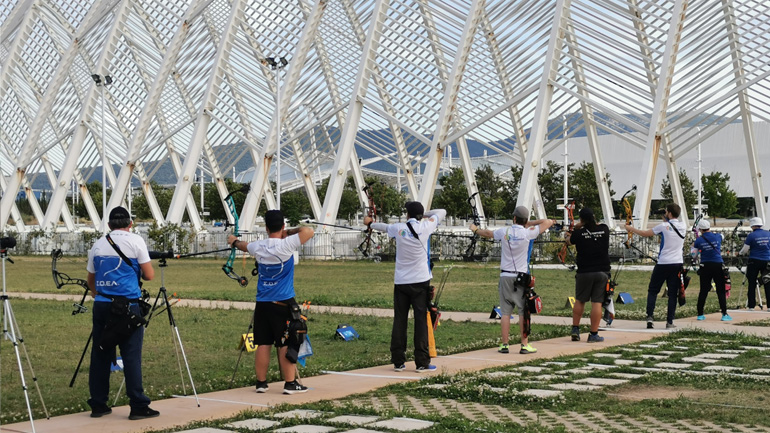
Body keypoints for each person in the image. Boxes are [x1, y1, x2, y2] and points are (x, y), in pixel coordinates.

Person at [228, 209, 315, 394]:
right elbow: (308, 231)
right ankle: (290, 384)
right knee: (285, 343)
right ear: (282, 226)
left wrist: (233, 241)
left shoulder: (258, 246)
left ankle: (261, 383)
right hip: (283, 303)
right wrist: (288, 232)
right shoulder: (286, 244)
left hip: (263, 303)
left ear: (266, 228)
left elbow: (243, 246)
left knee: (263, 343)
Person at [86, 206, 157, 420]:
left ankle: (98, 404)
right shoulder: (135, 241)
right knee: (131, 355)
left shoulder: (98, 245)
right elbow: (149, 275)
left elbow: (91, 279)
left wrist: (99, 293)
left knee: (100, 353)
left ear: (109, 225)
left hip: (102, 304)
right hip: (127, 305)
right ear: (130, 223)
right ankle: (138, 405)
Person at [364, 202, 445, 372]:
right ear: (420, 215)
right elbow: (442, 211)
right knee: (420, 320)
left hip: (401, 282)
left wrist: (370, 223)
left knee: (399, 320)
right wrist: (424, 215)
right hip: (421, 281)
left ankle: (398, 361)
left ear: (408, 214)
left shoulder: (399, 228)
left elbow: (384, 227)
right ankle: (422, 362)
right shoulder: (426, 225)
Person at [471, 206, 554, 354]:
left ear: (514, 218)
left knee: (505, 312)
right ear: (525, 220)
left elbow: (488, 233)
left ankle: (504, 344)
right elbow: (547, 222)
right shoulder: (528, 233)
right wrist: (530, 223)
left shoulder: (505, 231)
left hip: (505, 276)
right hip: (521, 277)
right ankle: (524, 344)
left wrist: (475, 230)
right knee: (523, 311)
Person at [624, 203, 686, 329]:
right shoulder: (683, 225)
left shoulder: (663, 226)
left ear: (668, 213)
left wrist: (630, 229)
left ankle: (650, 317)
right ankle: (669, 322)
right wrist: (667, 215)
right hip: (677, 263)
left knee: (653, 290)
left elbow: (644, 233)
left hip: (663, 262)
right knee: (673, 293)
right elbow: (672, 225)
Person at [566, 207, 610, 343]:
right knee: (597, 302)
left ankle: (575, 329)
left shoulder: (579, 233)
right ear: (594, 216)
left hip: (584, 271)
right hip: (602, 271)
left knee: (580, 300)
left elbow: (568, 241)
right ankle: (593, 334)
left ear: (581, 219)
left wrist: (575, 228)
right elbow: (597, 227)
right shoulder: (604, 229)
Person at [692, 219, 730, 321]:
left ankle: (700, 314)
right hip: (717, 264)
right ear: (709, 227)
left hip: (705, 266)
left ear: (700, 229)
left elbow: (694, 255)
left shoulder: (699, 240)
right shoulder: (717, 236)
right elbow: (722, 236)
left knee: (704, 290)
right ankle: (724, 314)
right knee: (720, 290)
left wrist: (694, 246)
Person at [739, 217, 770, 309]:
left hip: (754, 261)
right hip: (767, 261)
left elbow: (745, 250)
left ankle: (751, 305)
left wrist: (739, 253)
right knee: (768, 282)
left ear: (752, 226)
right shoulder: (768, 234)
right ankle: (769, 306)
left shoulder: (751, 236)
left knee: (752, 283)